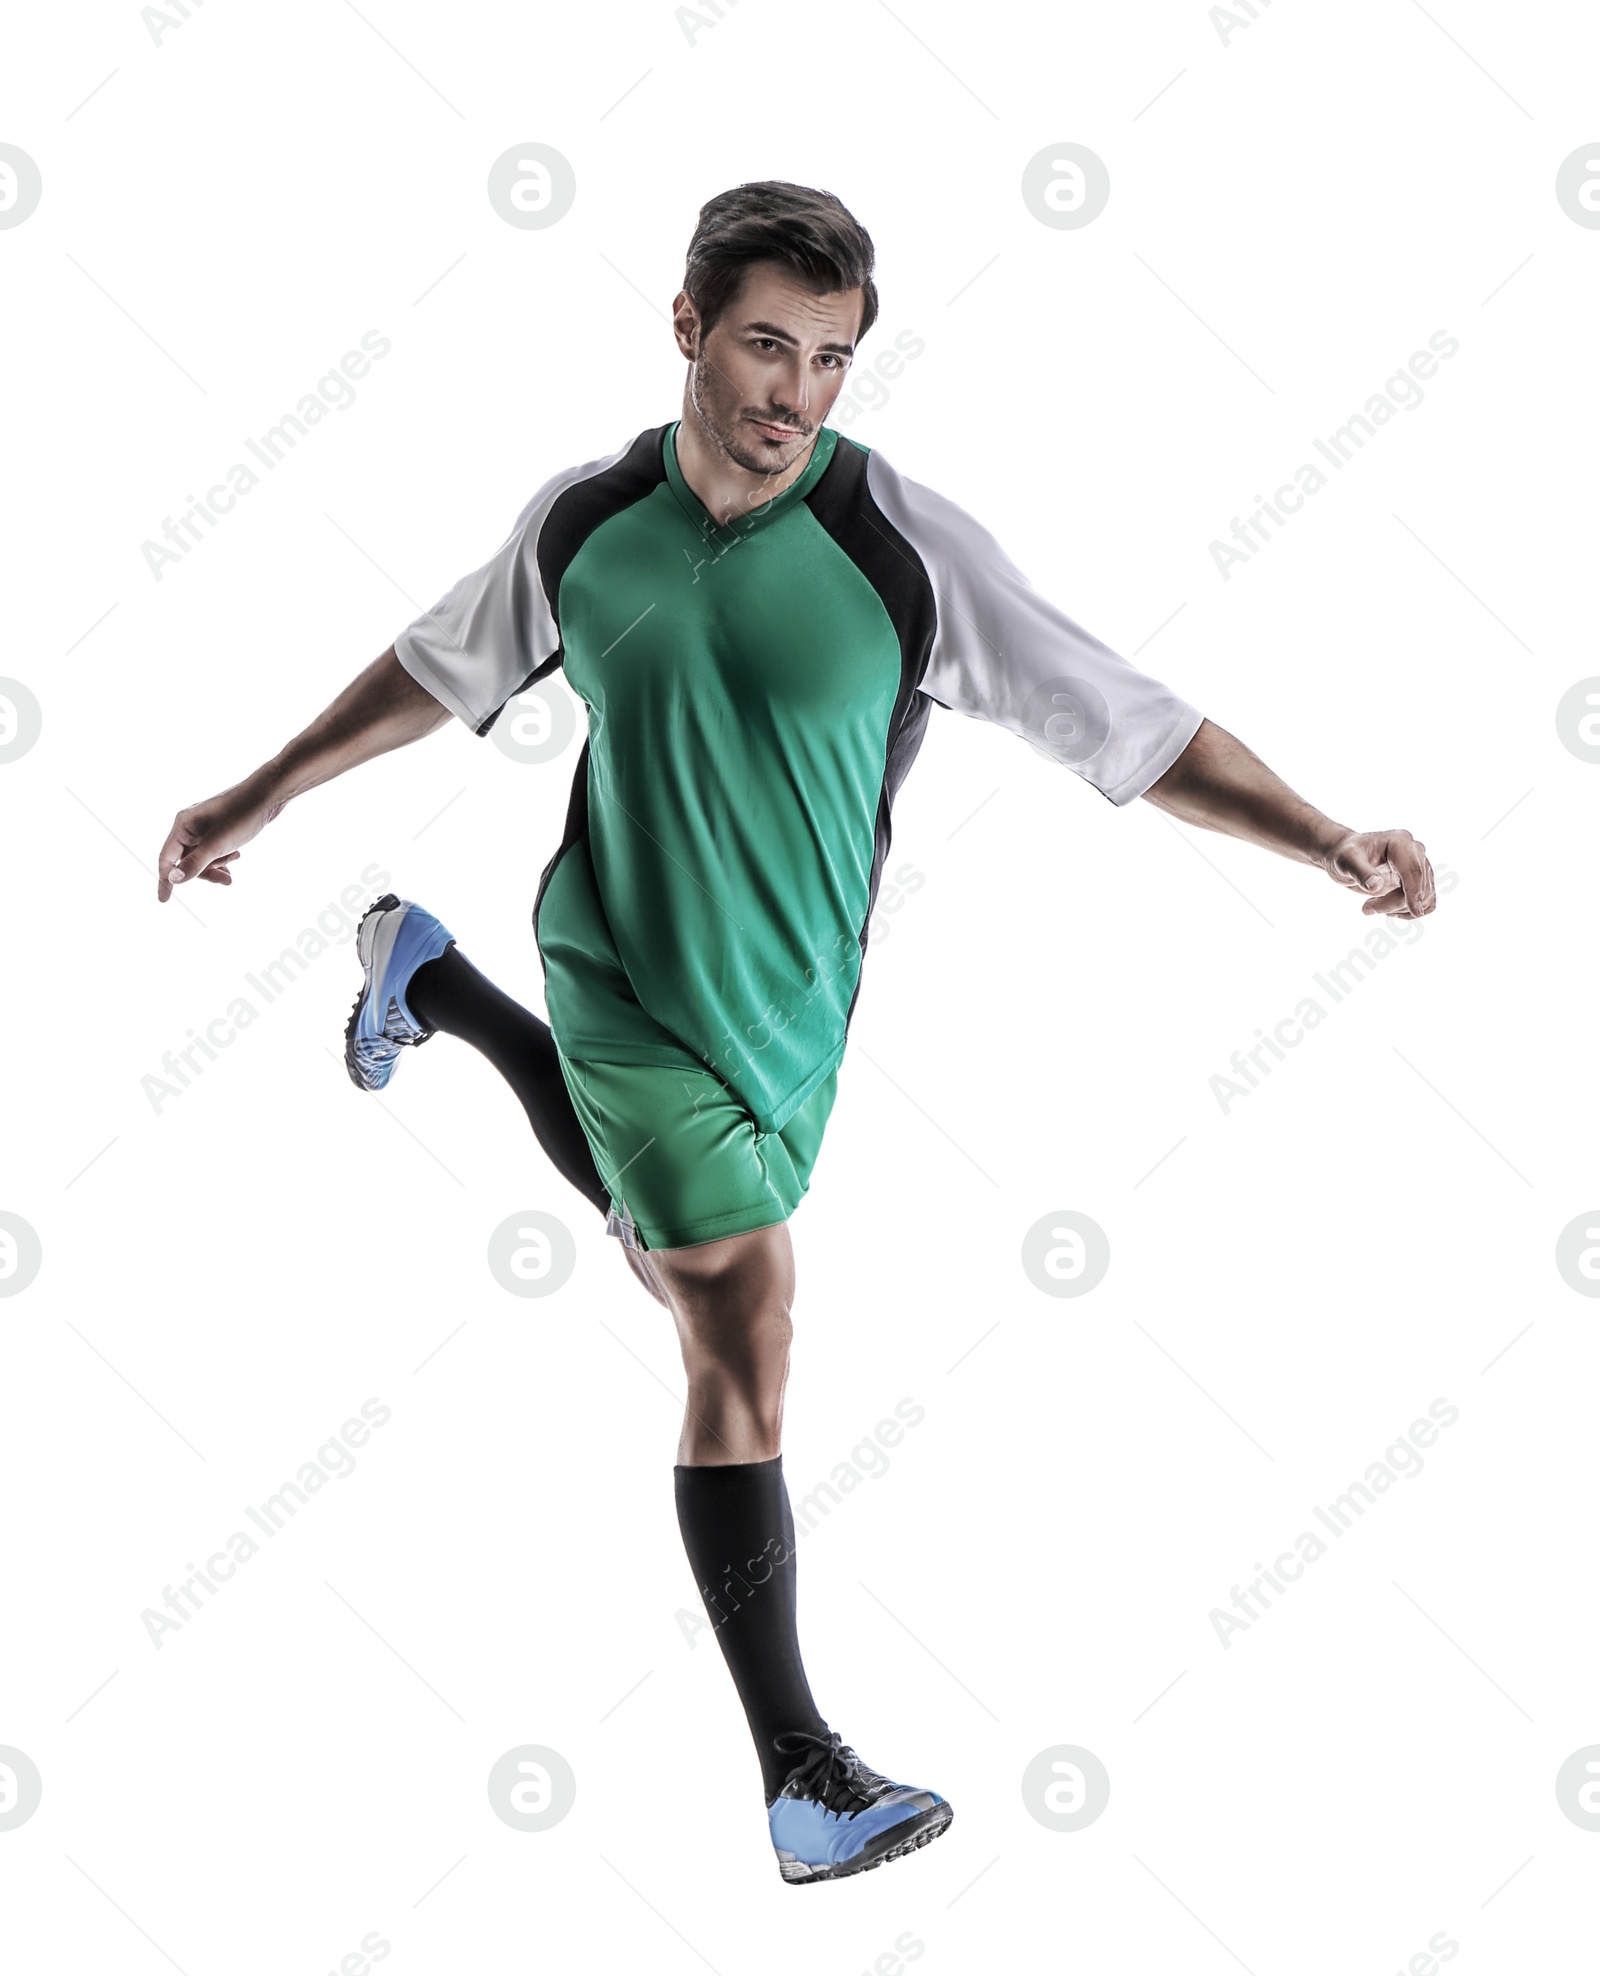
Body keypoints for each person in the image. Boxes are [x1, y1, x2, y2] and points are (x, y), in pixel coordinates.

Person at [155, 179, 1437, 1884]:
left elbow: (1129, 723)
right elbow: (428, 667)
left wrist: (1328, 834)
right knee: (738, 1321)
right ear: (687, 328)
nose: (793, 394)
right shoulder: (585, 521)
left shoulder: (897, 546)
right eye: (766, 345)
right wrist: (255, 791)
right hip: (613, 957)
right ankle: (801, 1772)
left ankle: (429, 977)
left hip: (790, 1023)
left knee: (661, 1253)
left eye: (830, 361)